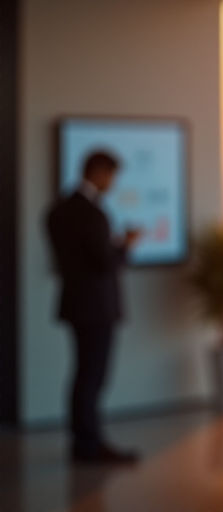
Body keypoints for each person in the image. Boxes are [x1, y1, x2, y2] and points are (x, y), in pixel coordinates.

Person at [46, 150, 140, 464]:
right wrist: (125, 246)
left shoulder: (58, 210)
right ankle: (90, 444)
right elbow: (103, 262)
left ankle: (82, 440)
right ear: (98, 173)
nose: (112, 183)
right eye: (111, 176)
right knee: (93, 377)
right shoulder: (93, 214)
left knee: (82, 374)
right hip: (97, 306)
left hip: (73, 302)